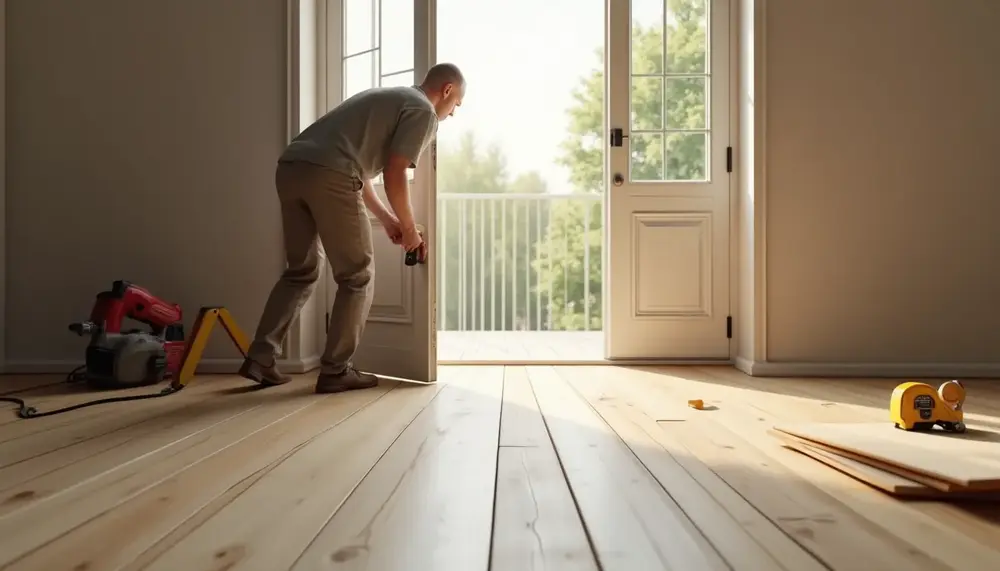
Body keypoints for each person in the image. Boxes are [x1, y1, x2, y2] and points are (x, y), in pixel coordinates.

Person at [238, 63, 466, 394]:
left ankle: (260, 357)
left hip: (291, 168)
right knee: (357, 276)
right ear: (446, 91)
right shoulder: (423, 111)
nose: (453, 113)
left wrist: (388, 219)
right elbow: (395, 171)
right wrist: (410, 229)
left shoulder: (387, 97)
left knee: (301, 271)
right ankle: (336, 370)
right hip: (332, 174)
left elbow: (360, 170)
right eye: (456, 104)